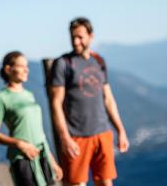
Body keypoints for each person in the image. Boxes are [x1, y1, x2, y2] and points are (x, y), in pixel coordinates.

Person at [50, 17, 129, 186]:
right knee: (76, 183)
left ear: (91, 36)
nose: (75, 41)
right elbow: (56, 103)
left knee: (106, 182)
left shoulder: (99, 61)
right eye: (73, 37)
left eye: (80, 37)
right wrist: (65, 138)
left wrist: (120, 130)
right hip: (76, 137)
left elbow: (108, 99)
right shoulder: (63, 64)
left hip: (102, 133)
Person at [0, 51, 63, 186]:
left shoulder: (29, 95)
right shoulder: (1, 97)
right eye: (21, 66)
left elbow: (39, 132)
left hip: (42, 156)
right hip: (22, 158)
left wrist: (53, 162)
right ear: (8, 69)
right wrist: (20, 144)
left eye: (27, 66)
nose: (26, 70)